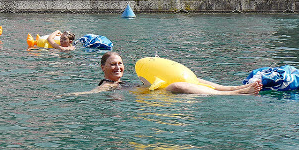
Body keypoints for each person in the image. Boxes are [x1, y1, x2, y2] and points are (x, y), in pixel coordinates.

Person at [89, 52, 262, 95]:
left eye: (120, 63)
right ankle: (235, 93)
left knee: (193, 79)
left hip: (151, 92)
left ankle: (233, 87)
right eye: (113, 64)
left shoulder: (121, 83)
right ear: (103, 67)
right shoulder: (107, 85)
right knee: (177, 85)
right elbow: (95, 92)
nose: (118, 67)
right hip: (155, 97)